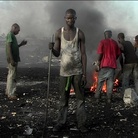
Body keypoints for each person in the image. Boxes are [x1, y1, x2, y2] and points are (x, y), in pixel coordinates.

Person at [49, 9, 88, 133]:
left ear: (75, 18)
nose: (70, 20)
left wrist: (84, 74)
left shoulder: (80, 33)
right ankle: (61, 122)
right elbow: (56, 53)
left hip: (77, 71)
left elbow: (83, 54)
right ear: (64, 18)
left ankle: (81, 124)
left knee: (80, 99)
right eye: (68, 18)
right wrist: (51, 49)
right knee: (63, 99)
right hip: (64, 72)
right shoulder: (58, 33)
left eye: (72, 18)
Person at [94, 29, 121, 103]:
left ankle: (97, 98)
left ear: (105, 34)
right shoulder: (115, 43)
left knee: (100, 82)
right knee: (110, 83)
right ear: (111, 35)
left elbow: (100, 53)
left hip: (104, 65)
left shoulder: (102, 42)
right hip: (112, 65)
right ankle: (109, 99)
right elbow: (118, 54)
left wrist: (98, 63)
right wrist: (113, 59)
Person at [5, 23, 27, 100]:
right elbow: (8, 47)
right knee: (12, 76)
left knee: (10, 75)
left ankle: (8, 91)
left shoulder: (12, 36)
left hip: (13, 58)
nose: (18, 32)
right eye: (18, 30)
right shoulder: (10, 35)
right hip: (12, 59)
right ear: (14, 27)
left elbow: (14, 47)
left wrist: (21, 44)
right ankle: (11, 94)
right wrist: (11, 59)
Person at [118, 33, 138, 97]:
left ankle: (125, 95)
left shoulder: (120, 45)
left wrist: (122, 67)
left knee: (125, 80)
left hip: (128, 63)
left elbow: (120, 57)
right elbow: (133, 51)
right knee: (136, 80)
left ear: (119, 38)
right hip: (136, 62)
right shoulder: (129, 42)